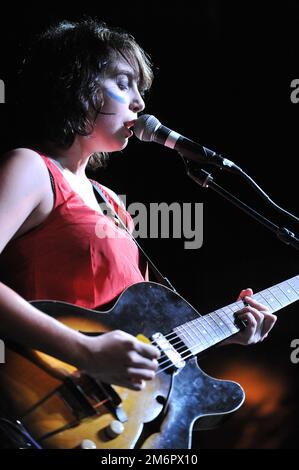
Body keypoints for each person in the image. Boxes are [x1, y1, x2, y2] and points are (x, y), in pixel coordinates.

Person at [0, 17, 276, 425]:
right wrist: (85, 350)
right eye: (123, 83)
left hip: (108, 422)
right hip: (36, 402)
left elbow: (139, 334)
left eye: (140, 89)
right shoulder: (30, 168)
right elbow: (96, 342)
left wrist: (223, 332)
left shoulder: (111, 203)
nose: (140, 103)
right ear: (76, 85)